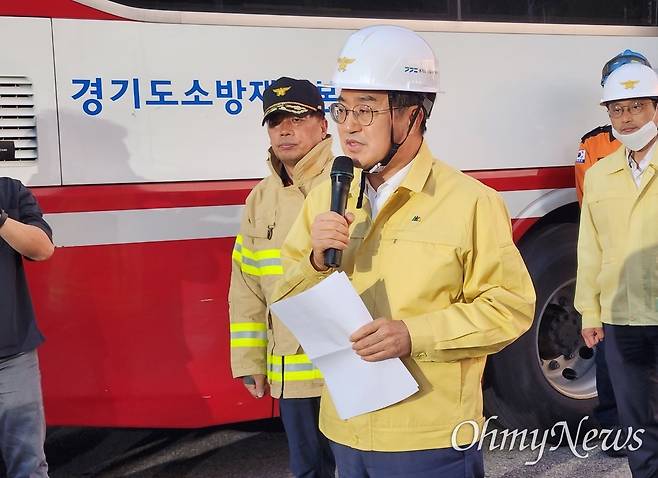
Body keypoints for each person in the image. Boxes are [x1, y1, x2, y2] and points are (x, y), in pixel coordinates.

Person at [272, 26, 535, 478]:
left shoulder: (470, 202)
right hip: (345, 432)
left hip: (429, 439)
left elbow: (509, 308)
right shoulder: (325, 198)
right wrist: (314, 261)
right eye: (342, 109)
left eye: (366, 110)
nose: (348, 125)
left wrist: (414, 335)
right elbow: (285, 296)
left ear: (412, 115)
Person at [228, 77, 336, 478]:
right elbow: (247, 287)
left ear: (322, 125)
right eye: (275, 122)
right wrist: (249, 360)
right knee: (308, 470)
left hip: (346, 362)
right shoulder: (260, 198)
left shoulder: (349, 183)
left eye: (297, 118)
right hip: (292, 372)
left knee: (359, 467)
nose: (285, 130)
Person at [575, 61, 658, 477]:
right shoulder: (600, 175)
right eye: (617, 109)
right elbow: (590, 248)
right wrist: (590, 312)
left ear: (656, 109)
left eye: (637, 107)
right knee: (638, 426)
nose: (627, 118)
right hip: (621, 319)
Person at [0, 177, 54, 478]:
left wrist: (1, 220)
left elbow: (43, 248)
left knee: (28, 463)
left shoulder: (10, 191)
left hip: (12, 358)